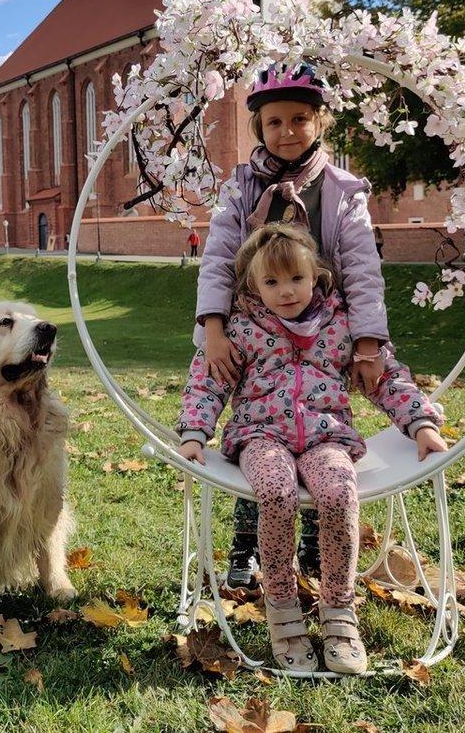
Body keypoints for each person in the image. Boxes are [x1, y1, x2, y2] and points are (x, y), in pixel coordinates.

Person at [177, 224, 446, 673]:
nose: (285, 292)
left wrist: (419, 423)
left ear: (316, 275)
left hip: (327, 436)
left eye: (296, 279)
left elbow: (387, 378)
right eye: (271, 282)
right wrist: (193, 434)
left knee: (340, 494)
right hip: (261, 436)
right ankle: (282, 608)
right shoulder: (242, 328)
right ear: (252, 285)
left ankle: (339, 609)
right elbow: (206, 384)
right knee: (277, 493)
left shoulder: (341, 325)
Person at [191, 62, 393, 590]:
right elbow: (216, 259)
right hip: (257, 324)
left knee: (318, 434)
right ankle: (247, 545)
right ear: (259, 127)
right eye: (274, 122)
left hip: (323, 325)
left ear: (320, 121)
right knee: (260, 428)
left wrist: (366, 340)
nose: (287, 132)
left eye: (300, 119)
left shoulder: (343, 190)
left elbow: (362, 270)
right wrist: (214, 328)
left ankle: (312, 549)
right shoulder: (240, 188)